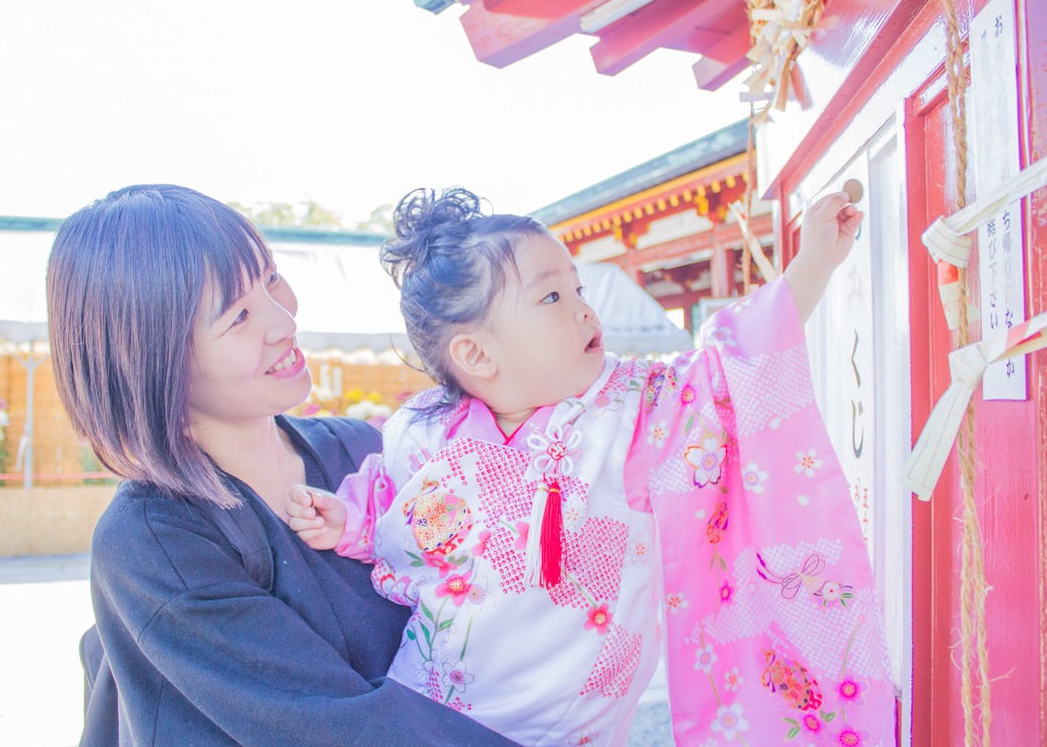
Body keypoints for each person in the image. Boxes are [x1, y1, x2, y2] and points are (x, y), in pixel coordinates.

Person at [285, 187, 896, 745]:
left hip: (572, 730)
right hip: (433, 713)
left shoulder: (632, 413)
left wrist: (812, 262)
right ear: (474, 353)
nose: (583, 308)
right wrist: (348, 519)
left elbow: (726, 373)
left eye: (578, 289)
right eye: (552, 295)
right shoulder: (422, 430)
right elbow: (391, 503)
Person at [47, 184, 520, 746]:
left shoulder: (363, 450)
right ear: (154, 360)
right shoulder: (155, 541)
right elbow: (342, 727)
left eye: (271, 278)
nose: (282, 320)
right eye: (238, 315)